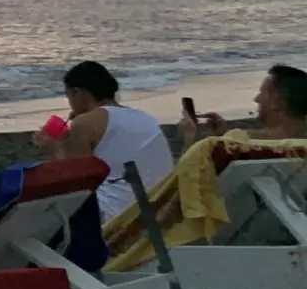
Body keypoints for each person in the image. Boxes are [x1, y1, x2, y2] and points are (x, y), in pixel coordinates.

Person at [41, 60, 174, 224]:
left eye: (68, 95)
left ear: (79, 93)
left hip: (115, 215)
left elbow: (76, 185)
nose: (69, 102)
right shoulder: (145, 118)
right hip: (160, 211)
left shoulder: (84, 122)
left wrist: (54, 150)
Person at [179, 64, 307, 150]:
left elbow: (188, 178)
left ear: (276, 101)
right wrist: (224, 134)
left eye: (262, 93)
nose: (256, 99)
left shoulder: (241, 142)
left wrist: (190, 138)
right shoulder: (300, 144)